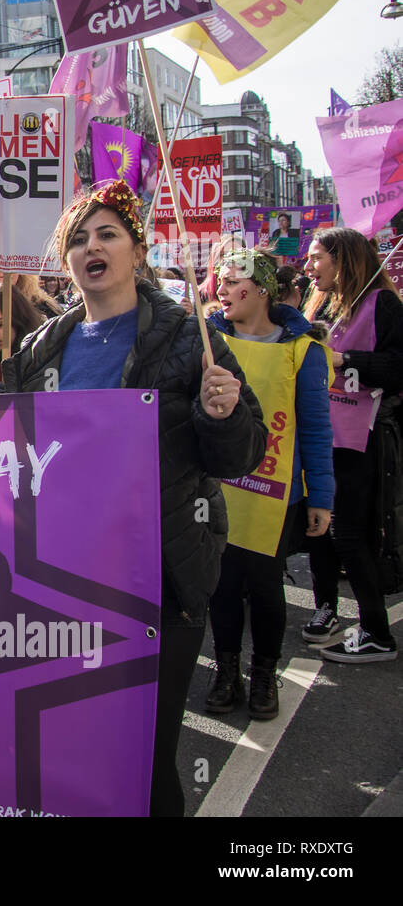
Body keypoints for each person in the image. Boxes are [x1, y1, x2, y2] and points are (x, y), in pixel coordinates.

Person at [0, 180, 267, 816]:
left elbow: (241, 453)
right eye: (79, 239)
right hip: (56, 578)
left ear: (137, 251)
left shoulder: (188, 337)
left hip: (157, 576)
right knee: (65, 746)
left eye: (108, 233)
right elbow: (2, 451)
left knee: (142, 760)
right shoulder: (39, 350)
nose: (92, 246)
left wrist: (221, 414)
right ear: (66, 263)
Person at [204, 250, 334, 719]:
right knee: (221, 587)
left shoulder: (304, 351)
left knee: (263, 588)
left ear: (262, 288)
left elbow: (317, 429)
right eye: (218, 279)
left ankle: (263, 676)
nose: (221, 287)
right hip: (218, 490)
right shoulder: (206, 339)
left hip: (276, 497)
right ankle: (225, 671)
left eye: (233, 278)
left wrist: (321, 495)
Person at [300, 227, 403, 662]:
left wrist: (346, 360)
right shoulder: (325, 304)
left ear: (344, 260)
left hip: (363, 441)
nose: (308, 267)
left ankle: (377, 633)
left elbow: (398, 366)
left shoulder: (383, 304)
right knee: (324, 532)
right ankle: (330, 610)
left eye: (317, 257)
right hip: (327, 438)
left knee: (351, 536)